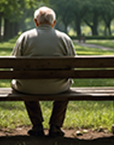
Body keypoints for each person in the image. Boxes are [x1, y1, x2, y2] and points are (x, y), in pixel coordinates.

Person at [11, 6, 76, 137]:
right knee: (66, 84)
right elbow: (73, 66)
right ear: (54, 22)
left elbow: (14, 66)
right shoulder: (64, 39)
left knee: (24, 84)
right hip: (58, 87)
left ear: (36, 22)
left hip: (28, 87)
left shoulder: (24, 37)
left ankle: (37, 125)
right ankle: (56, 126)